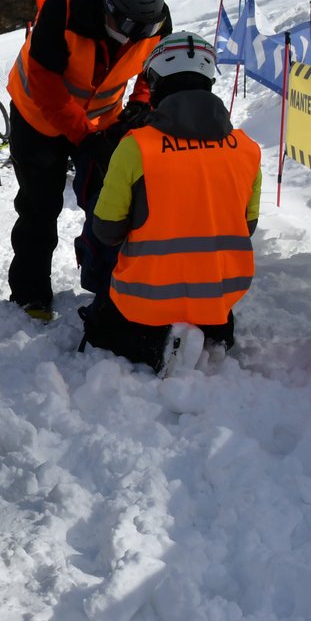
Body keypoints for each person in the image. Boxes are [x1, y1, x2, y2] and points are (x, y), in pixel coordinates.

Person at [81, 32, 262, 374]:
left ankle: (158, 345)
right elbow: (246, 227)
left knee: (101, 323)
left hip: (143, 305)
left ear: (156, 81)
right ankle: (209, 335)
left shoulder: (137, 147)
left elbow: (105, 230)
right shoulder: (247, 149)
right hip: (219, 302)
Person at [5, 0, 172, 321]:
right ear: (108, 6)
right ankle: (31, 293)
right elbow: (46, 84)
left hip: (102, 120)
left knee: (111, 201)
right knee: (40, 204)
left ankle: (113, 285)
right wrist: (83, 135)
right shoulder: (62, 8)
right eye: (126, 25)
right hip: (38, 117)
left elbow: (154, 64)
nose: (133, 37)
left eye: (142, 30)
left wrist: (141, 102)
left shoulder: (154, 19)